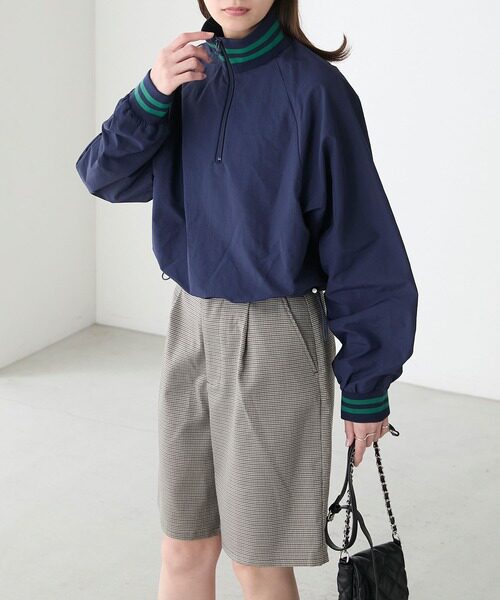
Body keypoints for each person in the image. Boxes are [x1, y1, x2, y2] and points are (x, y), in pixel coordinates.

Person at [75, 1, 418, 598]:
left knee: (257, 562)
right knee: (184, 545)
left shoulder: (315, 90)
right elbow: (104, 175)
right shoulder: (183, 78)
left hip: (275, 334)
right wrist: (151, 94)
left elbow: (361, 237)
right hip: (191, 323)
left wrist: (367, 383)